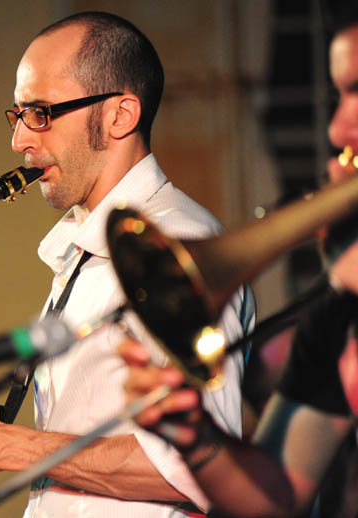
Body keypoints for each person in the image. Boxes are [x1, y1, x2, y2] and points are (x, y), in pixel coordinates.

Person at [0, 11, 254, 517]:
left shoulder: (176, 246)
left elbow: (198, 468)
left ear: (120, 115)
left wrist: (5, 447)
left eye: (40, 113)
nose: (19, 142)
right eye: (17, 114)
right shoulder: (86, 244)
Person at [121, 10, 358, 517]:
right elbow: (276, 495)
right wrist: (197, 438)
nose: (339, 128)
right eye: (338, 95)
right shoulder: (340, 315)